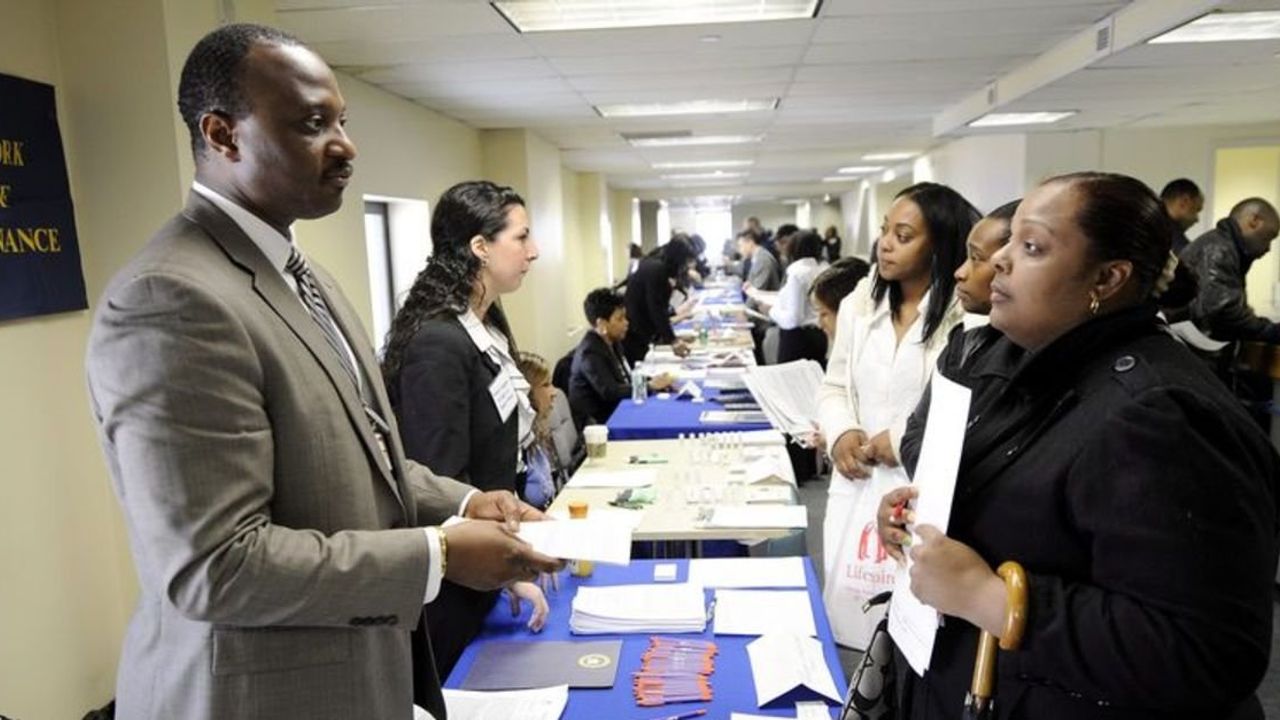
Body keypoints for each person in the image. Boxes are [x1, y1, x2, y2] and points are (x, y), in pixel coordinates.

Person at [85, 24, 561, 720]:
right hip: (258, 694)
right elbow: (216, 565)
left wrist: (461, 503)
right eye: (312, 123)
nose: (345, 145)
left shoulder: (306, 277)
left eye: (342, 120)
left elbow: (361, 460)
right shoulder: (171, 298)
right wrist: (438, 553)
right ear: (222, 136)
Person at [881, 172, 1279, 720]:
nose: (1000, 261)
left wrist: (994, 601)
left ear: (1108, 277)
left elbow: (1206, 651)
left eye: (1032, 247)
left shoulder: (1160, 413)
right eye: (1007, 241)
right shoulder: (1009, 359)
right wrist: (918, 520)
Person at [380, 180, 549, 681]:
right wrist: (503, 567)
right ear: (480, 246)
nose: (533, 251)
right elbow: (438, 481)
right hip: (453, 583)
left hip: (490, 552)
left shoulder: (487, 325)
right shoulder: (438, 342)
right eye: (520, 238)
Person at [816, 182, 976, 649]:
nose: (886, 243)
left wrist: (904, 434)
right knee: (851, 620)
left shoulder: (965, 316)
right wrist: (842, 431)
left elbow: (966, 402)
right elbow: (834, 384)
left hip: (920, 482)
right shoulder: (859, 303)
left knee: (916, 623)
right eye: (886, 231)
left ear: (939, 245)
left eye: (904, 236)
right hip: (858, 478)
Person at [1180, 197, 1280, 343]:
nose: (1268, 248)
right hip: (1199, 352)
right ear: (1254, 221)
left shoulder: (1222, 246)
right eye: (1268, 238)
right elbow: (1222, 310)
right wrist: (1270, 331)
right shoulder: (1218, 249)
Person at [569, 288, 673, 427]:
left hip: (619, 410)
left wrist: (654, 381)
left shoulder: (613, 342)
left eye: (625, 317)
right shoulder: (590, 353)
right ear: (601, 324)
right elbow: (610, 391)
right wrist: (649, 386)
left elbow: (626, 378)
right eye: (619, 319)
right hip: (601, 424)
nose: (626, 322)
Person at [757, 230, 830, 365]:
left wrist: (771, 311)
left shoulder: (798, 273)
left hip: (798, 340)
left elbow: (793, 319)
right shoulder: (824, 269)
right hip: (820, 336)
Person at [622, 239, 695, 364]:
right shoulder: (657, 270)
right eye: (684, 262)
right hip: (636, 333)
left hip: (639, 328)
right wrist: (673, 340)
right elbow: (656, 308)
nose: (685, 267)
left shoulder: (653, 263)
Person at [513, 352, 561, 512]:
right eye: (546, 385)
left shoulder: (536, 434)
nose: (554, 393)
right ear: (527, 393)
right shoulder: (517, 444)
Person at [1159, 178, 1204, 254]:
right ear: (1184, 201)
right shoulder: (1177, 244)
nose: (1197, 219)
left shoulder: (1139, 221)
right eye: (1197, 210)